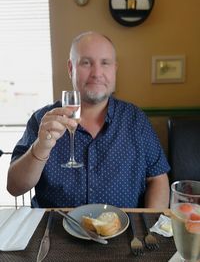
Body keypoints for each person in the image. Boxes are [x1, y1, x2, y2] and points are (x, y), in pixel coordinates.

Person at [7, 31, 170, 208]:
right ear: (71, 68)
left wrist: (149, 227)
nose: (97, 73)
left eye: (105, 63)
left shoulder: (135, 119)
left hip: (124, 231)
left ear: (115, 69)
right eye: (86, 63)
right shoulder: (42, 120)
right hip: (53, 232)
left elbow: (157, 178)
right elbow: (14, 187)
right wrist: (40, 147)